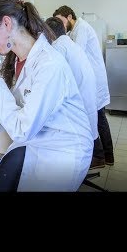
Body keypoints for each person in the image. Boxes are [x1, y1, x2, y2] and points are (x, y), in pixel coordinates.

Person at [0, 0, 93, 192]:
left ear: (6, 23)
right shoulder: (19, 59)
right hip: (39, 141)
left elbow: (22, 130)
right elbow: (14, 103)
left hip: (64, 151)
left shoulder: (49, 65)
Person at [53, 5, 114, 167]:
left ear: (69, 16)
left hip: (93, 80)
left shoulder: (81, 29)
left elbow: (75, 51)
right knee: (97, 117)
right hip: (89, 79)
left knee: (98, 118)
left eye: (61, 20)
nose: (61, 24)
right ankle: (105, 156)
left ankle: (104, 156)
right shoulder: (74, 30)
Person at [45, 17, 100, 166]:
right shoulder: (70, 44)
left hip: (77, 116)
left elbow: (52, 81)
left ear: (48, 33)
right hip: (86, 103)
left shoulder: (58, 48)